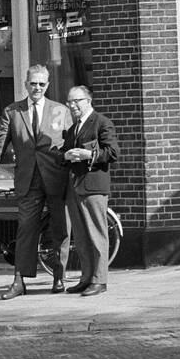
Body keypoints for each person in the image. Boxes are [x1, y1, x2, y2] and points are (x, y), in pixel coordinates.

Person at [0, 63, 70, 299]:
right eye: (33, 83)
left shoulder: (60, 110)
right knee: (26, 230)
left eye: (42, 83)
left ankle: (59, 276)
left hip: (57, 179)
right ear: (25, 84)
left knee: (60, 229)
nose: (37, 87)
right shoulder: (12, 112)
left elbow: (73, 143)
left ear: (47, 85)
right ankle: (19, 281)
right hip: (28, 180)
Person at [62, 87, 119, 297]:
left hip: (94, 187)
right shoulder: (74, 128)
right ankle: (86, 278)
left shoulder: (101, 122)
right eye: (69, 102)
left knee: (97, 234)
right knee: (82, 236)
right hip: (76, 187)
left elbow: (112, 152)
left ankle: (99, 280)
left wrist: (88, 154)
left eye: (77, 101)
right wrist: (66, 155)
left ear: (88, 100)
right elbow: (63, 153)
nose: (72, 106)